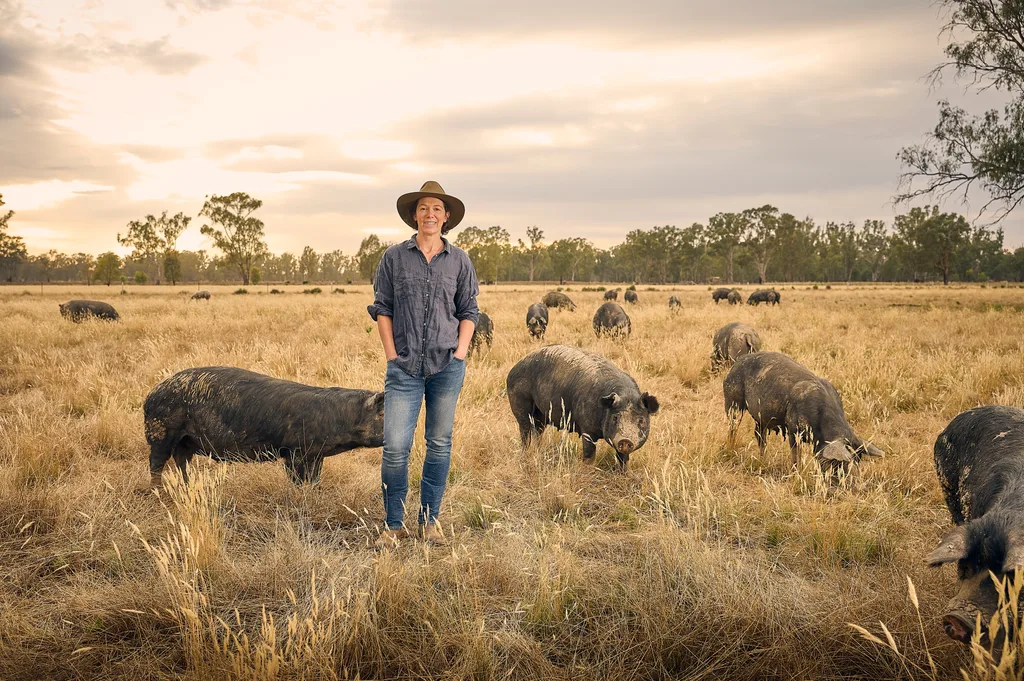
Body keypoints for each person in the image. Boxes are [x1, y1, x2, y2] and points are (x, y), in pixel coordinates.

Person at [367, 181, 479, 548]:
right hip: (404, 368)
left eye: (437, 209)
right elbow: (382, 307)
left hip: (447, 366)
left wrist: (460, 353)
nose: (430, 215)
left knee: (439, 443)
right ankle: (393, 526)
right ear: (414, 215)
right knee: (396, 446)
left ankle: (430, 522)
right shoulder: (394, 258)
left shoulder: (460, 260)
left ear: (446, 218)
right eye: (424, 208)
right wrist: (391, 354)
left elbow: (468, 311)